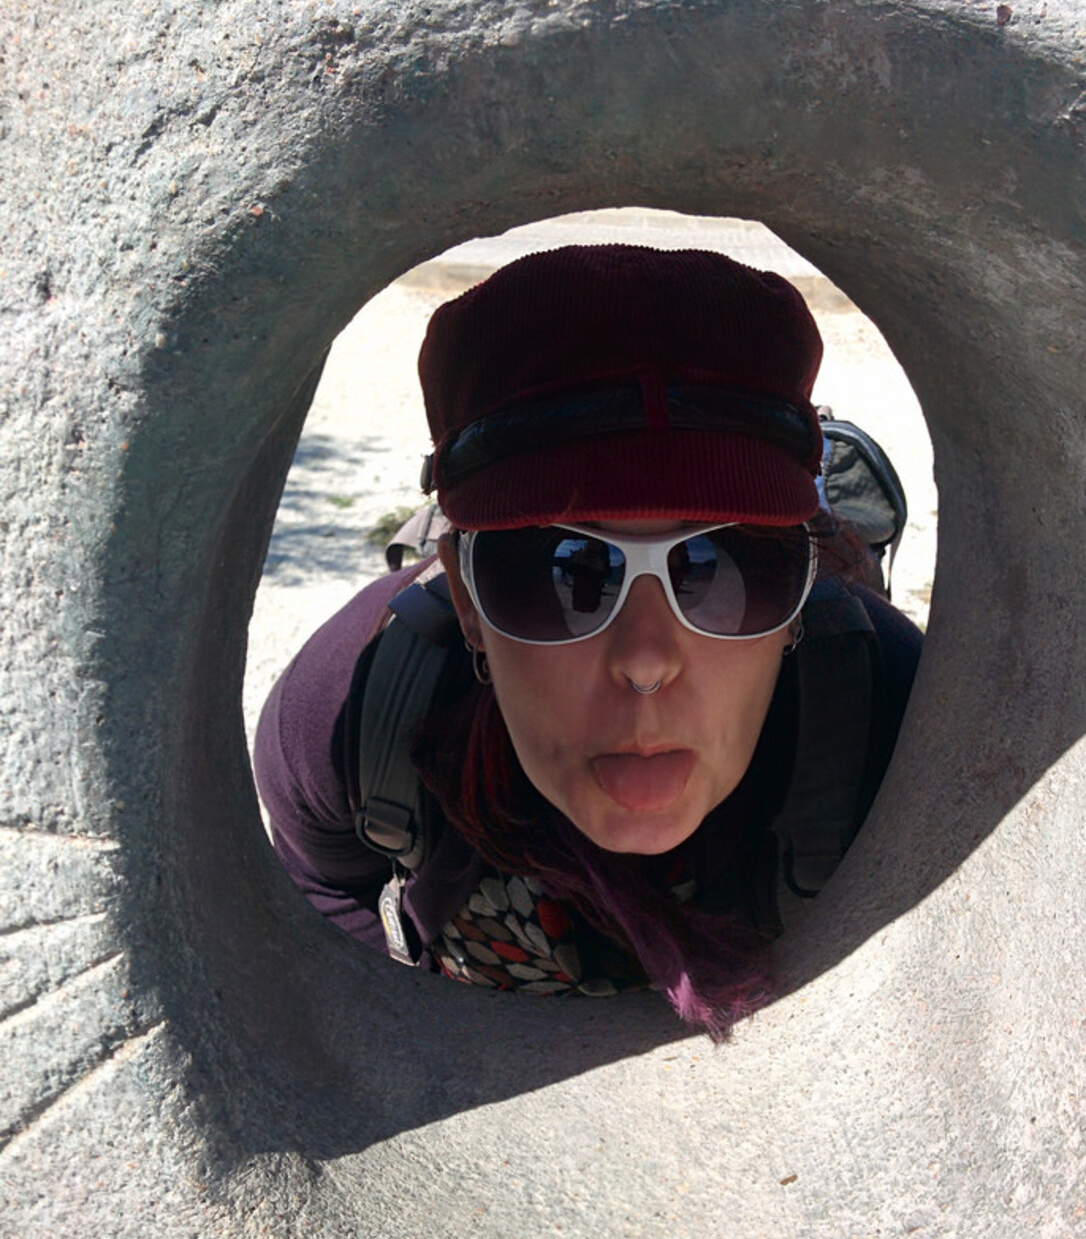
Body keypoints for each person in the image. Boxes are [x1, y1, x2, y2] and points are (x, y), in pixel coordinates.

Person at [254, 245, 922, 1035]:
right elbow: (323, 896)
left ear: (802, 591)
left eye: (720, 565)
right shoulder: (349, 716)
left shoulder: (891, 717)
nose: (646, 661)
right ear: (465, 597)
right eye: (562, 571)